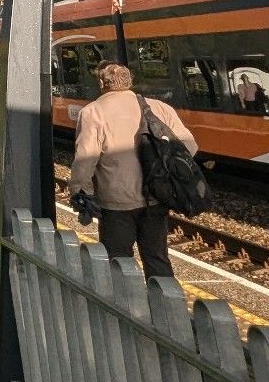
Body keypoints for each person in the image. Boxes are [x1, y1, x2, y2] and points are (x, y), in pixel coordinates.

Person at [69, 63, 198, 279]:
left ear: (102, 83)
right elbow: (190, 146)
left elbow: (86, 159)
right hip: (156, 197)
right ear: (130, 81)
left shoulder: (92, 112)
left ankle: (126, 309)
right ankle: (165, 308)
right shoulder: (159, 108)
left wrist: (81, 193)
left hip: (116, 202)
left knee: (118, 262)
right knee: (157, 259)